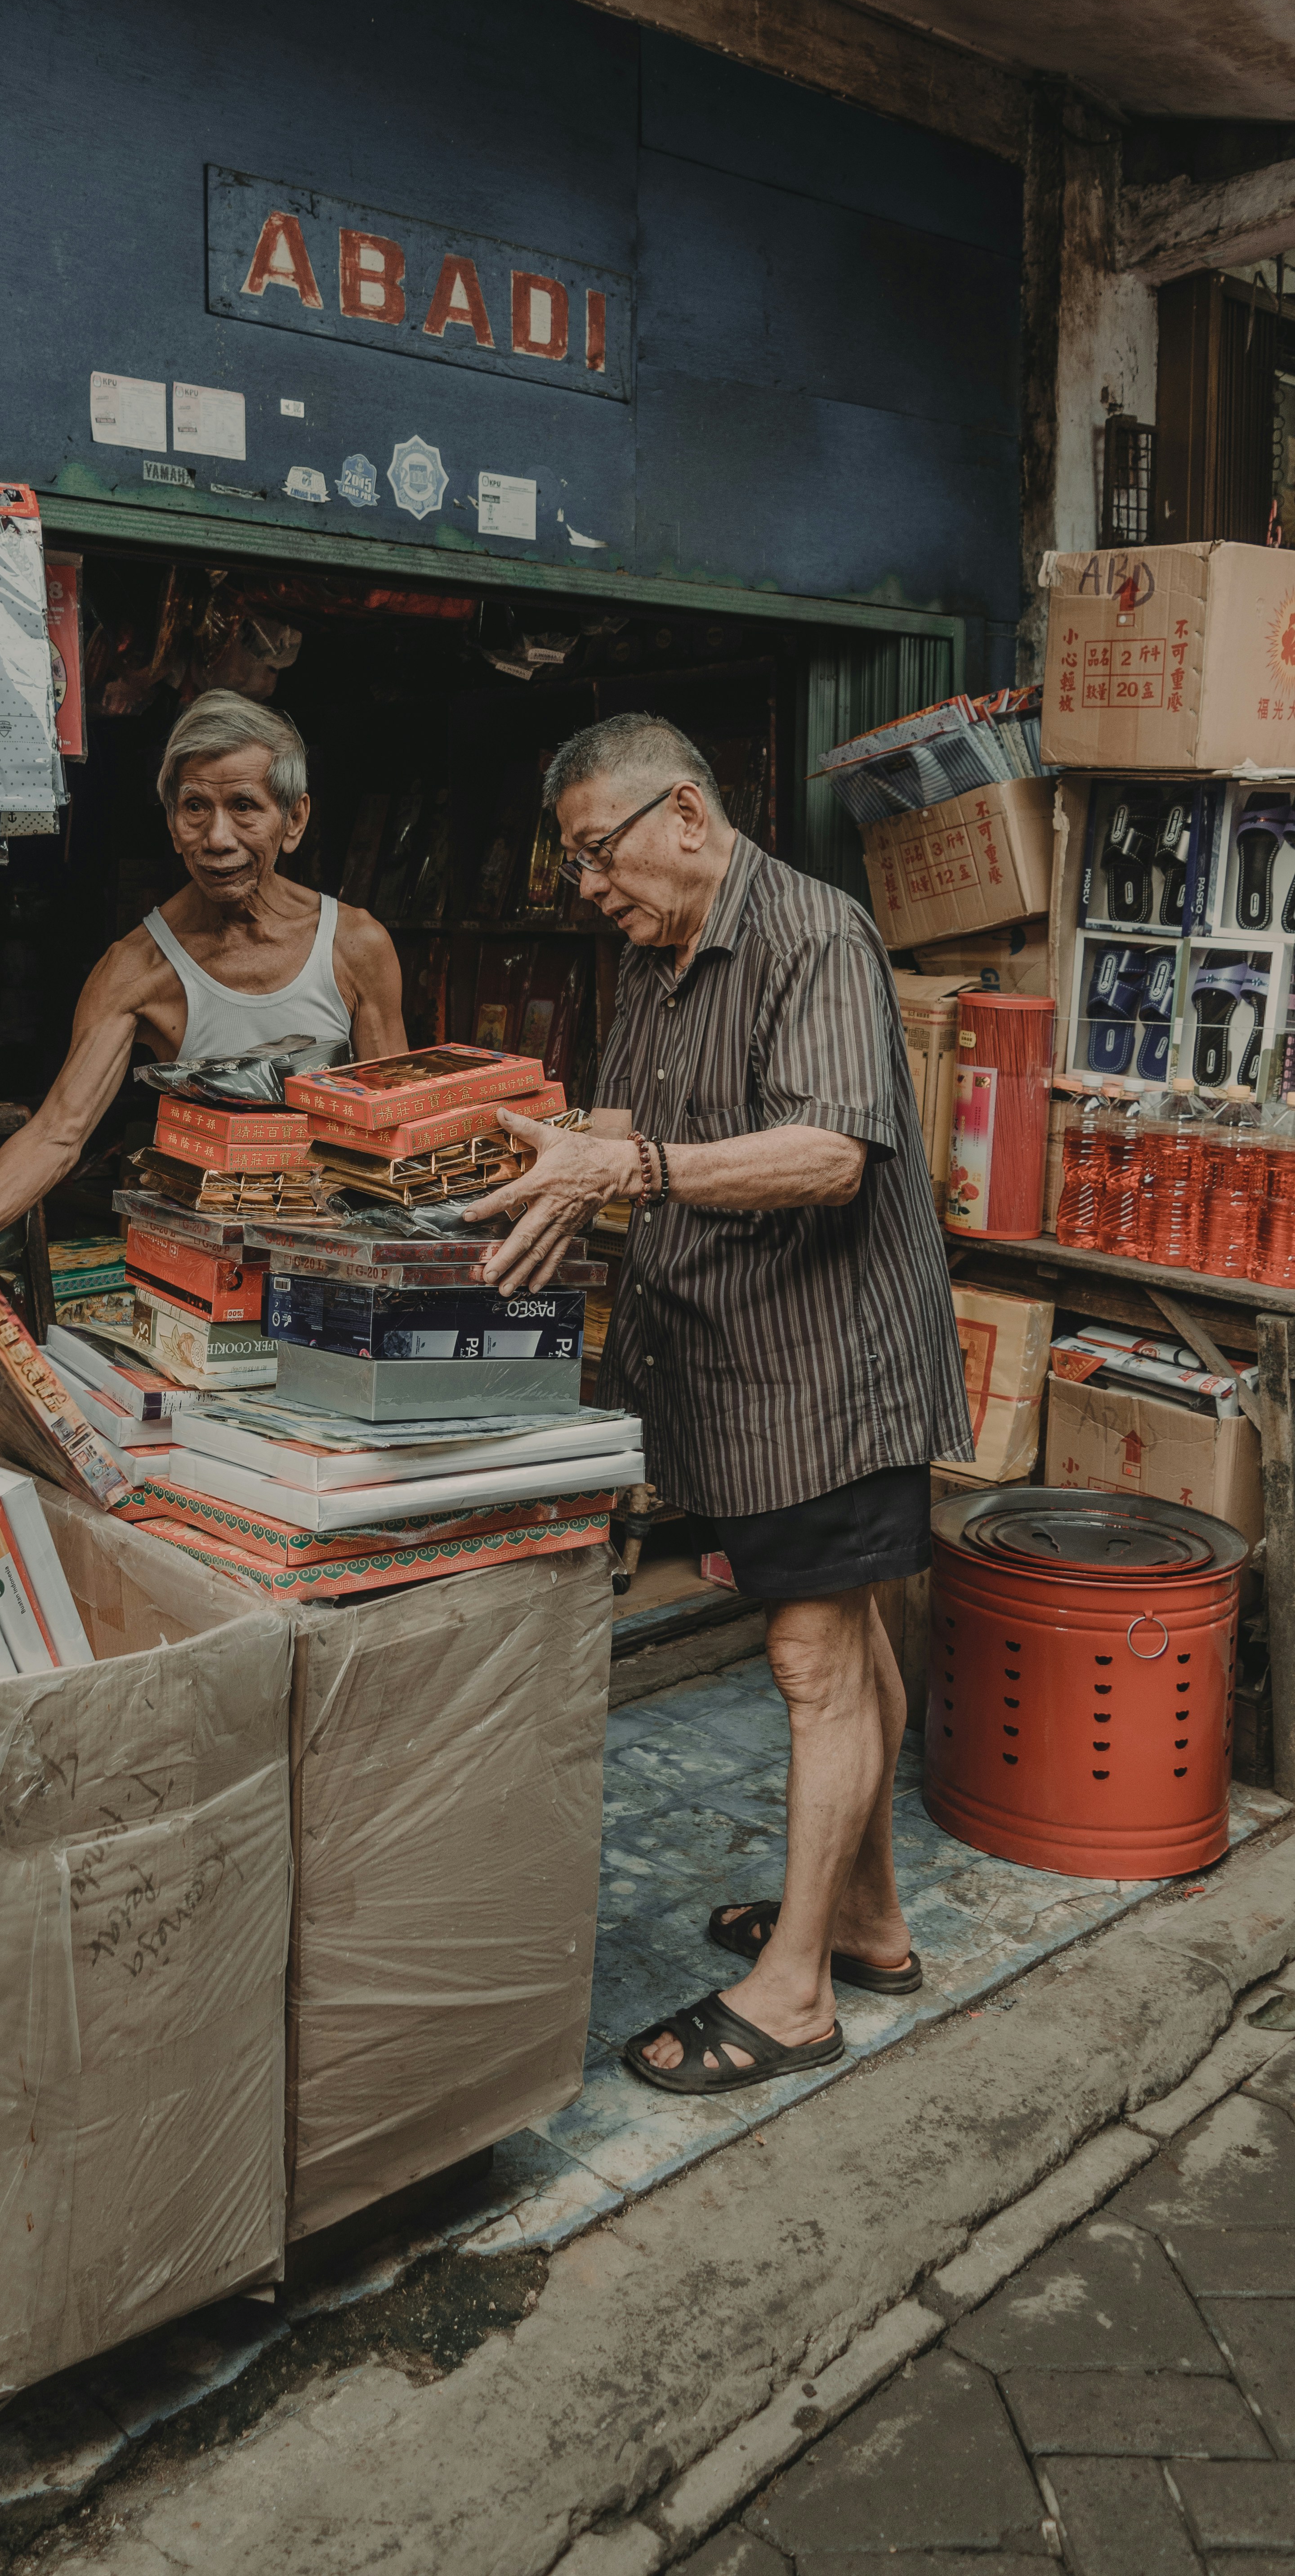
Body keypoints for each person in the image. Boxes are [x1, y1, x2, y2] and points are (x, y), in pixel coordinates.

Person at [464, 712, 973, 2098]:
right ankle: (866, 1922)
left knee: (814, 1662)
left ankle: (797, 1990)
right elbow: (642, 1131)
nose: (588, 888)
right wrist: (554, 1151)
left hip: (827, 1370)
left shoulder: (814, 935)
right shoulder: (664, 959)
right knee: (845, 1639)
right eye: (573, 867)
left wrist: (627, 1176)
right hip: (738, 1369)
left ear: (684, 814)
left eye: (595, 854)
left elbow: (827, 1154)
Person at [0, 690, 406, 1278]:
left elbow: (396, 1134)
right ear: (172, 825)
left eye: (245, 806)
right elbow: (59, 1134)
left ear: (294, 820)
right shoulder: (137, 968)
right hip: (202, 1275)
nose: (217, 838)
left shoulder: (355, 946)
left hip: (329, 1270)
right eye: (195, 808)